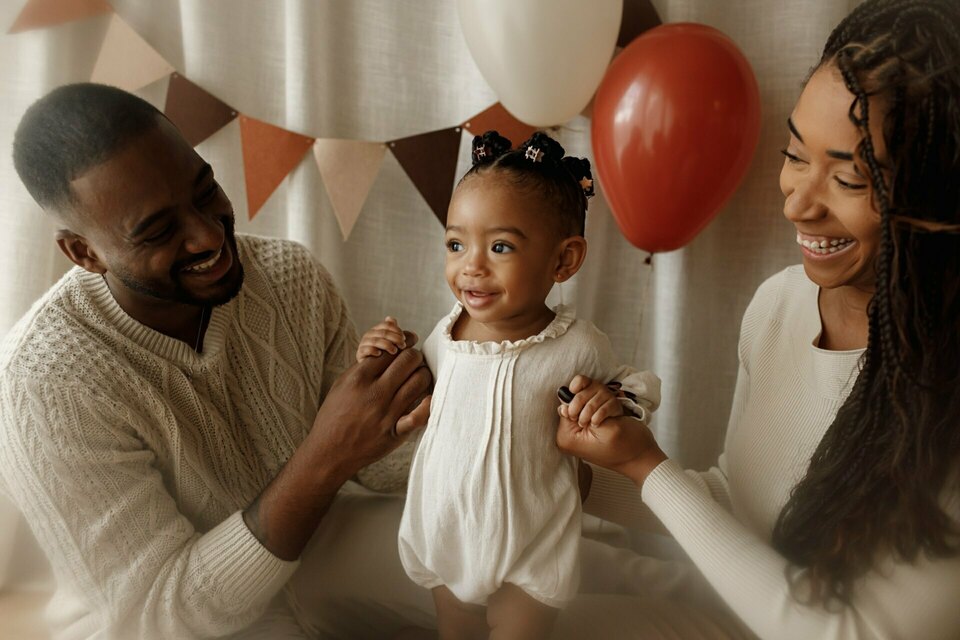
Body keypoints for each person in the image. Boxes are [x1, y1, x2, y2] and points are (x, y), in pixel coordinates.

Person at [555, 0, 960, 638]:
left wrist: (647, 468)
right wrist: (574, 473)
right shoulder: (780, 304)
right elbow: (741, 508)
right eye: (795, 154)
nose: (797, 202)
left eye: (851, 180)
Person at [0, 82, 432, 639]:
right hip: (170, 626)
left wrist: (427, 403)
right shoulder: (43, 383)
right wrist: (325, 457)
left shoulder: (289, 275)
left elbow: (373, 464)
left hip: (315, 563)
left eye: (205, 191)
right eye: (158, 230)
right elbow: (157, 614)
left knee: (510, 568)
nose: (209, 236)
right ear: (84, 253)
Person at [355, 130, 661, 639]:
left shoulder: (577, 345)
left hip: (533, 542)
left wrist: (610, 401)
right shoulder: (445, 336)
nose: (470, 266)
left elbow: (636, 386)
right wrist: (382, 351)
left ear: (563, 260)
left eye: (499, 247)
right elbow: (409, 388)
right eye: (456, 244)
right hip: (449, 533)